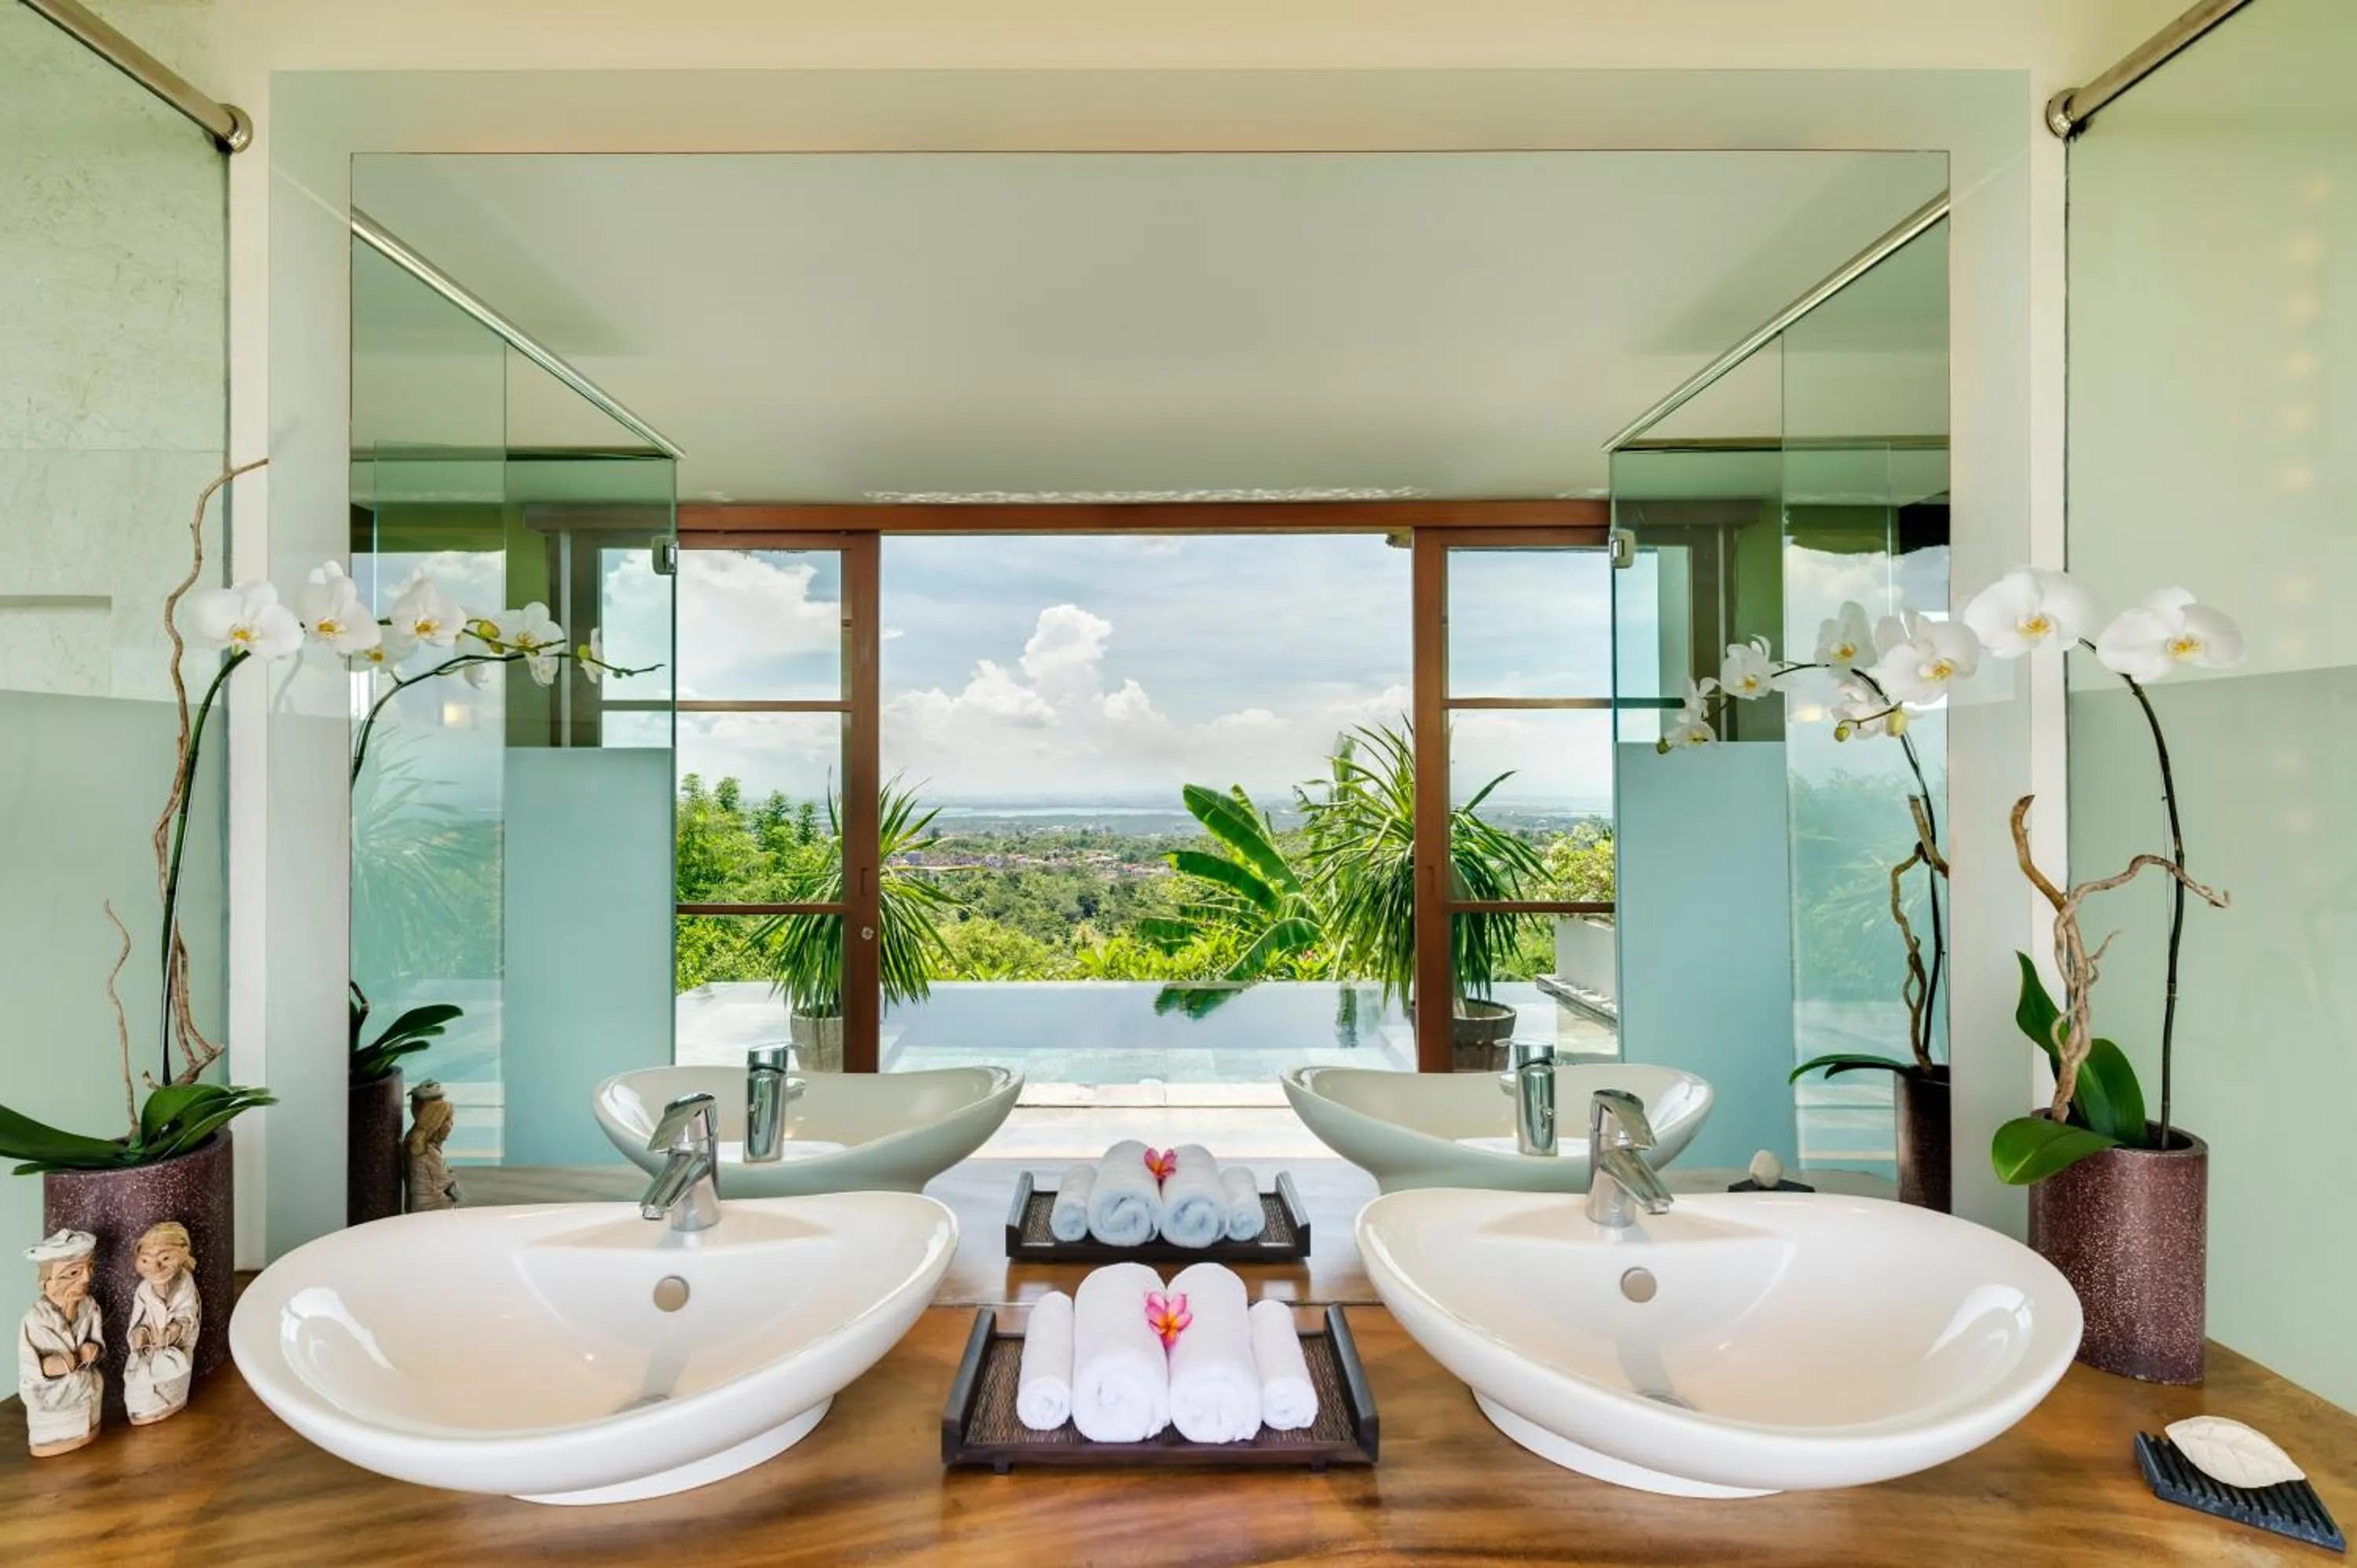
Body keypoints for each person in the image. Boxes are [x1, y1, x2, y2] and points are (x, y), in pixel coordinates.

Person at [17, 1230, 103, 1456]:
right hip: (51, 1401)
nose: (86, 1278)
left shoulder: (90, 1306)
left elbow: (97, 1342)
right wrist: (69, 1360)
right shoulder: (35, 1319)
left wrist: (94, 1350)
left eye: (89, 1268)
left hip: (86, 1393)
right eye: (73, 1272)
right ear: (47, 1281)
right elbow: (32, 1366)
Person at [124, 1220, 200, 1424]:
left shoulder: (185, 1285)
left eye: (165, 1258)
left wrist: (172, 1333)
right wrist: (141, 1334)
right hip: (149, 1349)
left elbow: (187, 1316)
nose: (156, 1269)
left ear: (183, 1254)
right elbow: (138, 1319)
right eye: (146, 1261)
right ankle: (141, 1409)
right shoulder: (144, 1290)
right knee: (137, 1377)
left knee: (168, 1372)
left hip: (172, 1351)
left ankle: (167, 1402)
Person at [405, 1079, 462, 1212]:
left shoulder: (414, 1138)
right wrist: (455, 1190)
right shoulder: (425, 1148)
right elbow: (442, 1182)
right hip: (433, 1207)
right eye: (447, 1121)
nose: (450, 1126)